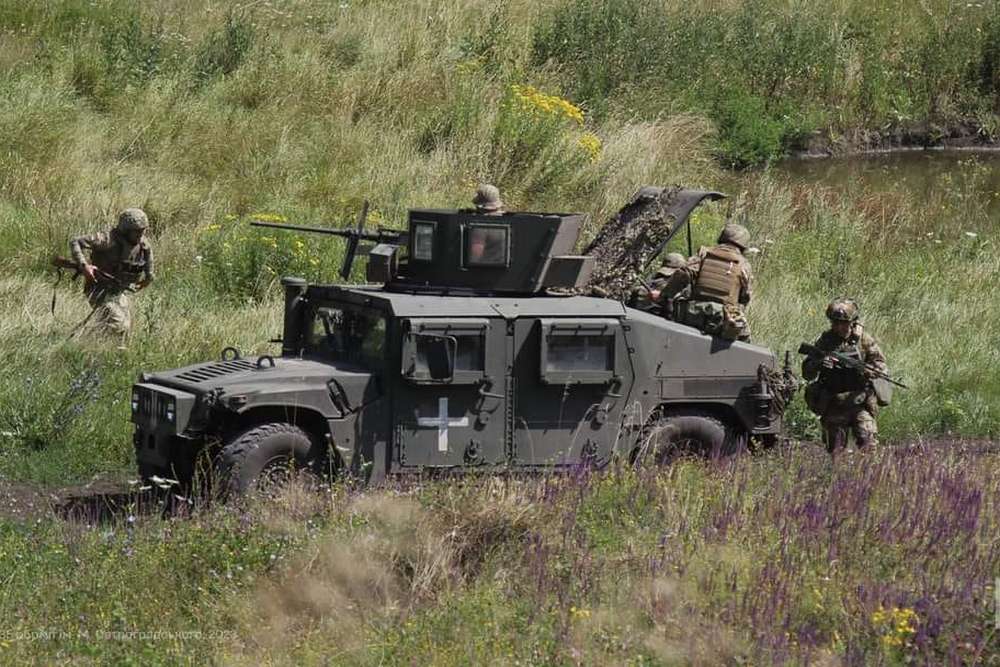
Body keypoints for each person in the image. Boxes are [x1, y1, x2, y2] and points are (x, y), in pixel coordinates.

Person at [801, 298, 889, 454]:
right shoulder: (825, 341)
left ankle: (870, 478)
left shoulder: (864, 340)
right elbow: (807, 372)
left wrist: (870, 370)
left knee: (869, 446)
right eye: (835, 323)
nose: (839, 327)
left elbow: (881, 365)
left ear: (853, 322)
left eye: (844, 323)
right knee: (836, 452)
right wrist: (821, 363)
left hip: (860, 402)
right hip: (834, 403)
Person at [69, 208, 154, 342]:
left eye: (143, 230)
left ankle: (107, 349)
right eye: (136, 231)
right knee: (119, 324)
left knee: (125, 330)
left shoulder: (143, 244)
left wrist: (149, 276)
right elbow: (76, 242)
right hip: (99, 289)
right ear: (126, 231)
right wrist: (84, 266)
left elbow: (148, 258)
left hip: (119, 291)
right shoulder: (107, 239)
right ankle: (84, 341)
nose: (140, 234)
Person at [670, 223, 753, 341]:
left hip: (692, 312)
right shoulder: (744, 265)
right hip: (721, 320)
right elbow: (745, 298)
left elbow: (683, 274)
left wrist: (664, 295)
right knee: (745, 336)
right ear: (744, 245)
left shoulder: (704, 253)